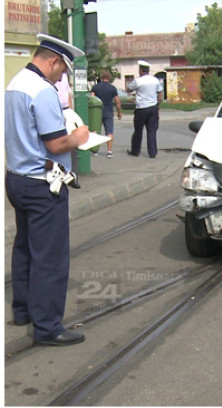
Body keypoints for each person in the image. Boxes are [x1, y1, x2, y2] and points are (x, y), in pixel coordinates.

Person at [5, 34, 90, 346]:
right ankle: (48, 327)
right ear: (53, 61)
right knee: (50, 257)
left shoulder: (15, 83)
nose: (61, 77)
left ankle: (23, 309)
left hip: (16, 178)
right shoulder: (42, 91)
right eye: (62, 71)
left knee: (25, 247)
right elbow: (55, 143)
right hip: (43, 184)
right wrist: (79, 136)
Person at [127, 60, 163, 158]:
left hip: (141, 109)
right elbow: (160, 93)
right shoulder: (155, 80)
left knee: (138, 130)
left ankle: (135, 151)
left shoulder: (138, 81)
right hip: (153, 107)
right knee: (152, 131)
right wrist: (158, 106)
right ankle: (152, 152)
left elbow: (128, 89)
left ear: (141, 70)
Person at [90, 70, 122, 158]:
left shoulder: (95, 87)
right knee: (109, 131)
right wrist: (119, 112)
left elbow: (92, 99)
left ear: (101, 76)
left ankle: (95, 150)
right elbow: (117, 101)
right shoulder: (112, 88)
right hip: (108, 111)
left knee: (96, 130)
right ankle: (109, 151)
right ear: (109, 77)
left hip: (97, 112)